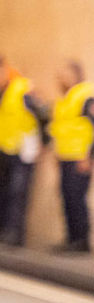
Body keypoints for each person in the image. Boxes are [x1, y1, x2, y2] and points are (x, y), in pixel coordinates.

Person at [0, 49, 43, 245]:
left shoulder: (22, 89)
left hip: (22, 151)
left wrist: (40, 144)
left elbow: (40, 116)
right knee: (1, 192)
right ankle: (0, 228)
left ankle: (15, 234)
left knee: (17, 192)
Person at [55, 57, 90, 253]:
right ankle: (71, 239)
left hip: (79, 157)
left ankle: (81, 241)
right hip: (65, 155)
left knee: (77, 198)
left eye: (65, 74)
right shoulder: (67, 97)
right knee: (67, 197)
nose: (62, 78)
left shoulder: (85, 95)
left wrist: (88, 156)